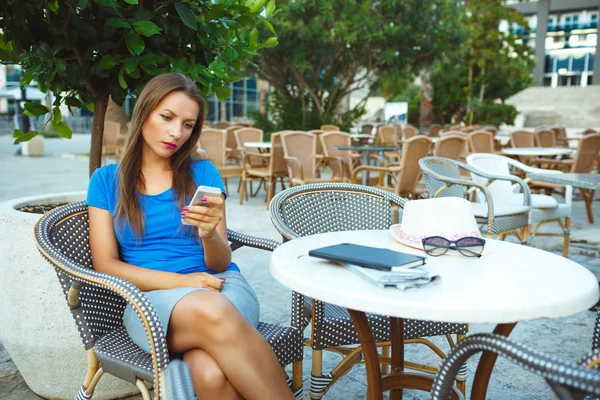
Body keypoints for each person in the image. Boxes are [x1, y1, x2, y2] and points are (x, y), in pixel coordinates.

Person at [86, 73, 294, 400]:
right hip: (151, 301)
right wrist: (184, 283)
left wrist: (209, 233)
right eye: (167, 117)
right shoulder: (106, 181)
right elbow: (105, 264)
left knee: (210, 373)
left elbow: (221, 261)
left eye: (187, 124)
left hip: (222, 284)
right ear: (144, 113)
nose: (176, 133)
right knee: (211, 310)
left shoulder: (203, 173)